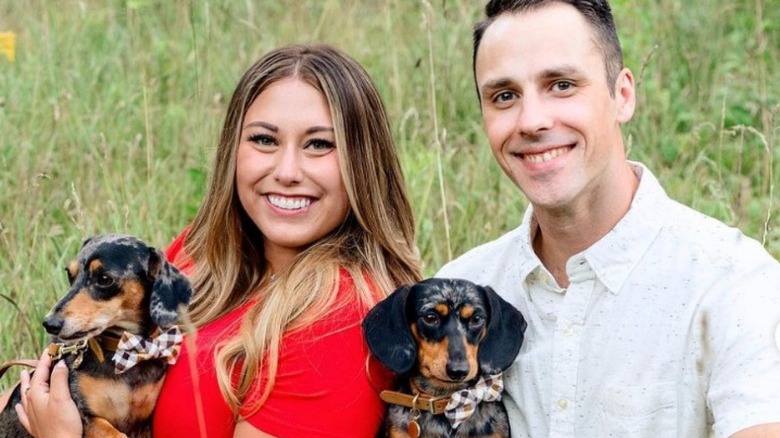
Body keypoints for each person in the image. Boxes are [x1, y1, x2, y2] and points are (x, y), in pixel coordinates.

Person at [10, 43, 422, 437]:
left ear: (363, 163)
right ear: (232, 150)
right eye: (264, 139)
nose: (287, 171)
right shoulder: (202, 254)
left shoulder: (334, 327)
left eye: (320, 144)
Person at [437, 1, 780, 437]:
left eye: (561, 85)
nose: (532, 121)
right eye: (504, 96)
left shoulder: (733, 284)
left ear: (622, 95)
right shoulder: (463, 286)